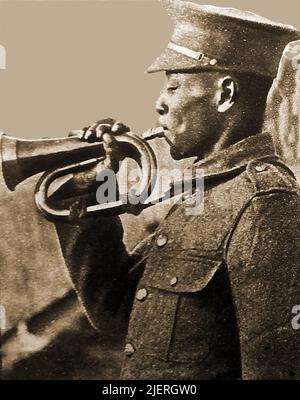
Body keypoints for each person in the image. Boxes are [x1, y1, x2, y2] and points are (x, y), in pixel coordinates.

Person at [53, 0, 300, 379]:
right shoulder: (204, 193)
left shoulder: (263, 201)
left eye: (173, 85)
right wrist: (93, 186)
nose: (159, 103)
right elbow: (114, 309)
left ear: (225, 94)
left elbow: (276, 367)